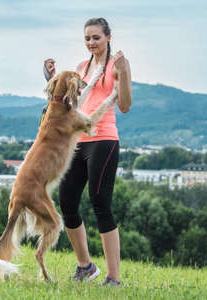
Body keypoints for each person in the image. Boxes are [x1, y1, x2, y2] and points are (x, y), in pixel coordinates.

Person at [43, 17, 132, 286]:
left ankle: (113, 278)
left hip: (104, 140)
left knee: (100, 202)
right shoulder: (82, 68)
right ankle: (86, 267)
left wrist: (125, 72)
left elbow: (125, 105)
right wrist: (51, 78)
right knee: (67, 201)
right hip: (78, 141)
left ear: (108, 37)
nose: (91, 42)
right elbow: (71, 102)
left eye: (96, 37)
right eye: (87, 38)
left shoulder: (116, 66)